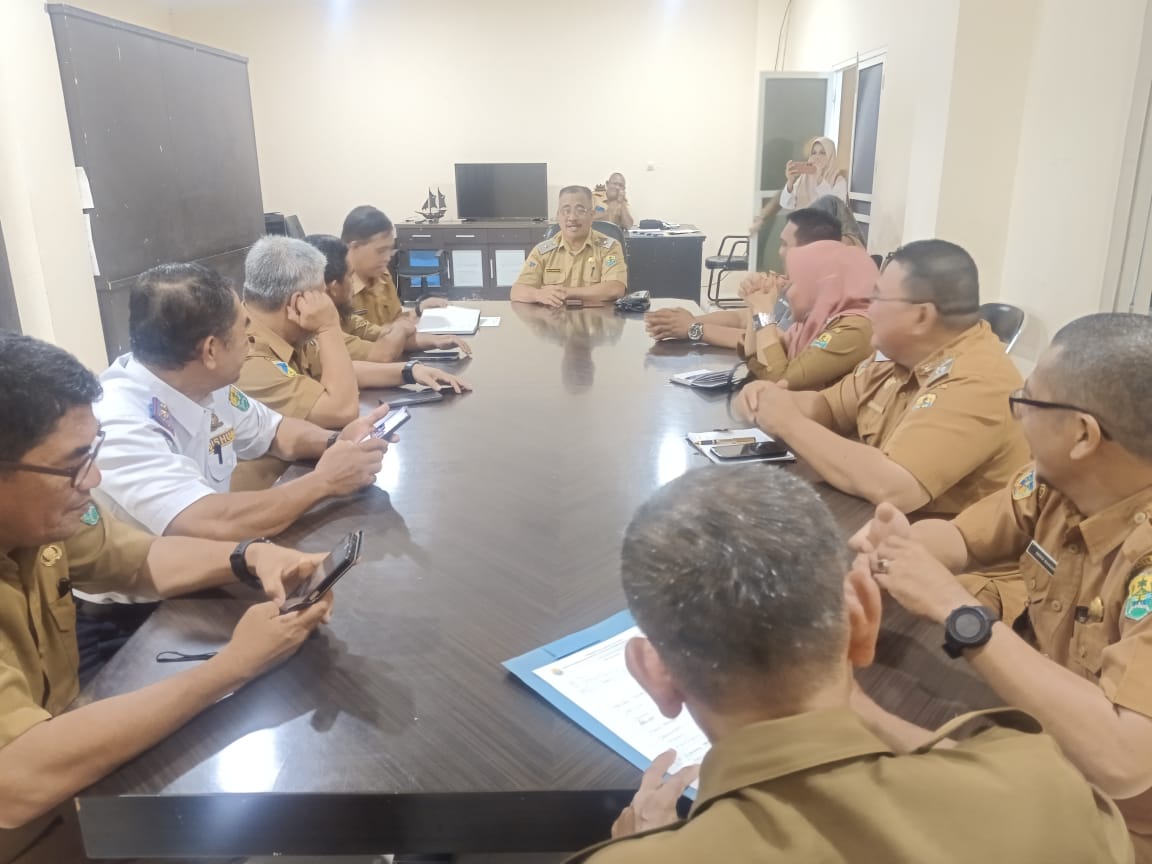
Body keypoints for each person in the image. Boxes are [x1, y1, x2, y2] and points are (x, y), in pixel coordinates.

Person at [565, 466, 1133, 864]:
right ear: (863, 621)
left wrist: (644, 845)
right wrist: (856, 707)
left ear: (654, 673)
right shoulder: (1042, 786)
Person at [0, 333, 335, 863]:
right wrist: (232, 668)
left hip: (76, 783)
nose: (94, 478)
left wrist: (249, 556)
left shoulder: (40, 521)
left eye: (93, 451)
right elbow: (16, 781)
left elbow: (135, 558)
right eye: (73, 464)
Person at [852, 313, 1152, 860]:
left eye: (1030, 402)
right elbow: (966, 538)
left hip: (1115, 824)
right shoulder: (1058, 483)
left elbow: (1123, 763)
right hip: (1049, 754)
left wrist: (956, 609)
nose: (1017, 414)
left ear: (1082, 434)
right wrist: (905, 543)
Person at [90, 261, 390, 542]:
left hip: (205, 566)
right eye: (244, 330)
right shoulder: (119, 422)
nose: (251, 340)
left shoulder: (207, 384)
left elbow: (276, 432)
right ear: (211, 351)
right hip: (157, 592)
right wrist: (324, 481)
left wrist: (338, 442)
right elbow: (209, 523)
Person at [738, 239, 1028, 517]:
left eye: (877, 297)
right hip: (877, 525)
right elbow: (829, 406)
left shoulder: (978, 379)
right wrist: (769, 401)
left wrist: (790, 423)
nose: (869, 309)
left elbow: (895, 487)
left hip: (944, 554)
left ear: (921, 316)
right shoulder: (899, 354)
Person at [238, 236, 468, 432]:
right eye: (321, 294)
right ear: (299, 302)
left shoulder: (288, 332)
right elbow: (341, 412)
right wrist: (328, 326)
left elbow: (343, 369)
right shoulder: (247, 360)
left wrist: (410, 371)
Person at [645, 209, 843, 350]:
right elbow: (745, 320)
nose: (779, 251)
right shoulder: (791, 284)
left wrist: (694, 329)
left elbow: (771, 341)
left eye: (784, 244)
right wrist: (683, 322)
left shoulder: (821, 299)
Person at [304, 233, 471, 364]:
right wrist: (401, 328)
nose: (387, 257)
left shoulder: (343, 315)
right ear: (333, 288)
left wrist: (436, 341)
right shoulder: (316, 331)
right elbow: (382, 354)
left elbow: (383, 334)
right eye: (349, 276)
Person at [740, 239, 875, 390]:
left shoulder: (855, 328)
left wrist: (762, 311)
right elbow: (757, 356)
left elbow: (779, 380)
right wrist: (755, 304)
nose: (789, 288)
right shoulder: (815, 319)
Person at [510, 185, 628, 308]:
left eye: (580, 210)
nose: (572, 218)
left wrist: (564, 293)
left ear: (592, 215)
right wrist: (538, 294)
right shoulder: (542, 252)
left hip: (596, 323)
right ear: (558, 216)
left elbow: (615, 289)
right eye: (566, 211)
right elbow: (516, 291)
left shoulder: (609, 248)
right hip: (553, 322)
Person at [341, 204, 448, 327]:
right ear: (354, 247)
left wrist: (419, 310)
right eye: (380, 251)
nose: (387, 258)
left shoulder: (382, 275)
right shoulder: (337, 289)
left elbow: (395, 321)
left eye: (390, 249)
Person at [778, 136, 848, 210]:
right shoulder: (805, 178)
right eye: (814, 153)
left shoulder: (838, 180)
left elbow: (833, 208)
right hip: (802, 220)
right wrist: (790, 181)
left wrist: (819, 179)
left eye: (822, 153)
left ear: (830, 156)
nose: (817, 157)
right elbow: (786, 204)